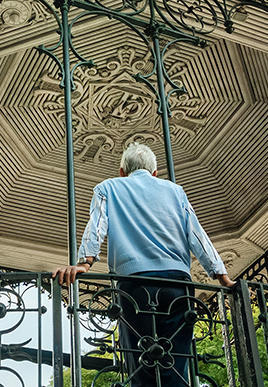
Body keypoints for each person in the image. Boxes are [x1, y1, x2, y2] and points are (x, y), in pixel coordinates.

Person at [53, 143, 234, 387]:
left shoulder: (108, 187)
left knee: (140, 360)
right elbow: (197, 235)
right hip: (177, 285)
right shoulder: (175, 191)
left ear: (122, 171)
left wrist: (85, 264)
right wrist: (222, 277)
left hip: (134, 285)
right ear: (155, 173)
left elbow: (97, 228)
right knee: (175, 361)